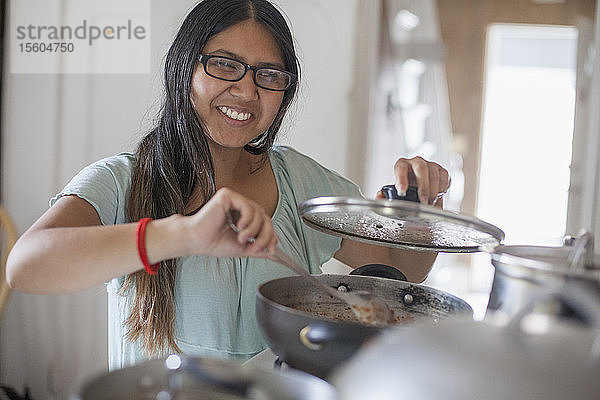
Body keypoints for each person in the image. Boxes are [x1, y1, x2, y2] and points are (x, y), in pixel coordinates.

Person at [6, 0, 450, 370]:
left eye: (269, 75)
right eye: (224, 65)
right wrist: (180, 234)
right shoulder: (121, 181)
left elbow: (402, 275)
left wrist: (426, 208)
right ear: (185, 68)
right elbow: (25, 267)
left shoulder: (303, 184)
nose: (246, 90)